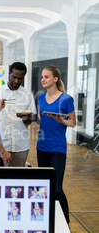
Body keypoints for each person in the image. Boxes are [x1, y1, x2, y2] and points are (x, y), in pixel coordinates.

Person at [37, 65, 76, 224]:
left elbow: (73, 123)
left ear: (55, 79)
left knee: (57, 188)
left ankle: (66, 226)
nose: (43, 80)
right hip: (42, 146)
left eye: (46, 77)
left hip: (58, 148)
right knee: (44, 187)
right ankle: (47, 222)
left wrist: (61, 120)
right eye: (42, 77)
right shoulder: (40, 97)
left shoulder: (66, 99)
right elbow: (41, 118)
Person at [0, 62, 36, 167]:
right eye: (14, 77)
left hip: (20, 145)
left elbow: (29, 122)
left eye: (20, 78)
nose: (16, 81)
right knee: (1, 178)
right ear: (8, 74)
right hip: (2, 144)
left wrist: (25, 118)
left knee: (18, 179)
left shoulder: (27, 95)